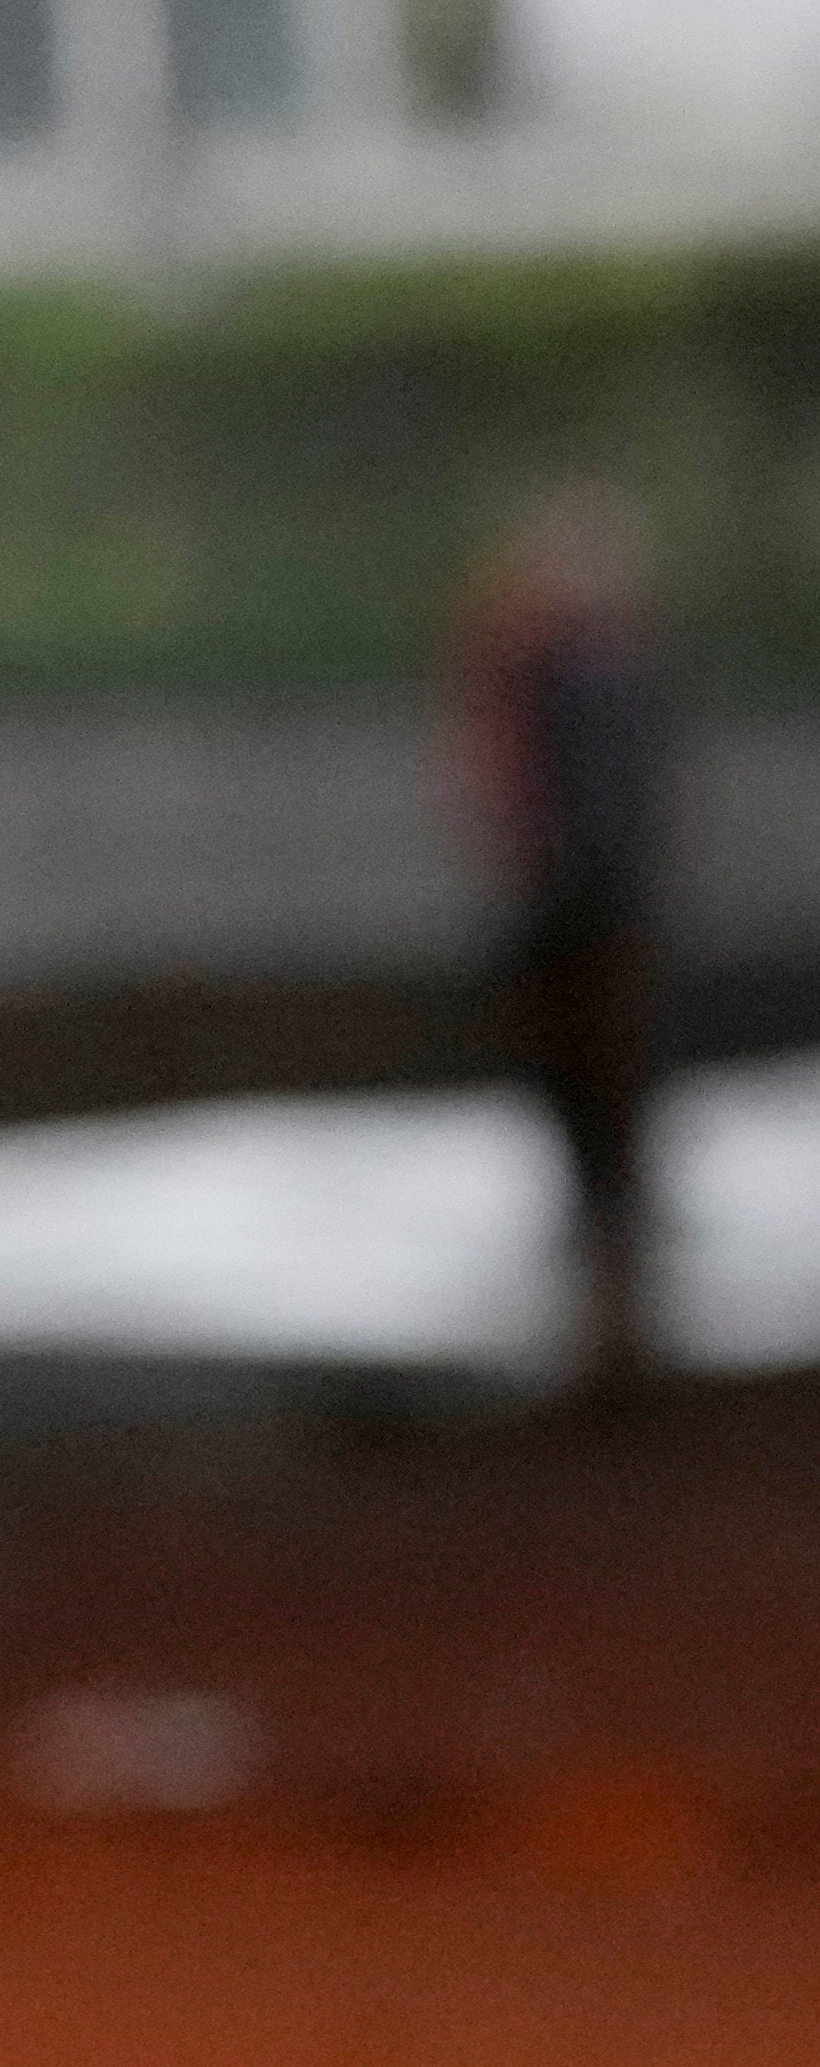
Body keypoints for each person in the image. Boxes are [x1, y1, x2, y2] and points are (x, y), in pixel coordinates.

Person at [453, 486, 673, 1411]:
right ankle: (606, 1229)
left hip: (586, 901)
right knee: (582, 1068)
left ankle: (611, 1233)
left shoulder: (579, 672)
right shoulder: (566, 669)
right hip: (581, 900)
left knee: (596, 1068)